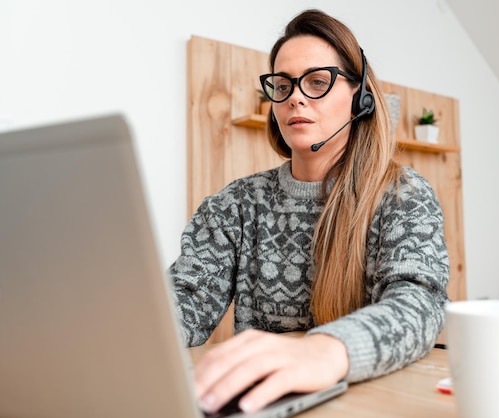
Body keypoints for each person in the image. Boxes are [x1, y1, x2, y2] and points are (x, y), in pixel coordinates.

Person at [168, 8, 450, 415]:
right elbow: (183, 305)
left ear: (361, 98)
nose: (295, 96)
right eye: (282, 85)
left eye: (317, 81)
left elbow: (419, 305)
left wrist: (324, 351)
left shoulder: (403, 196)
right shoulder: (234, 205)